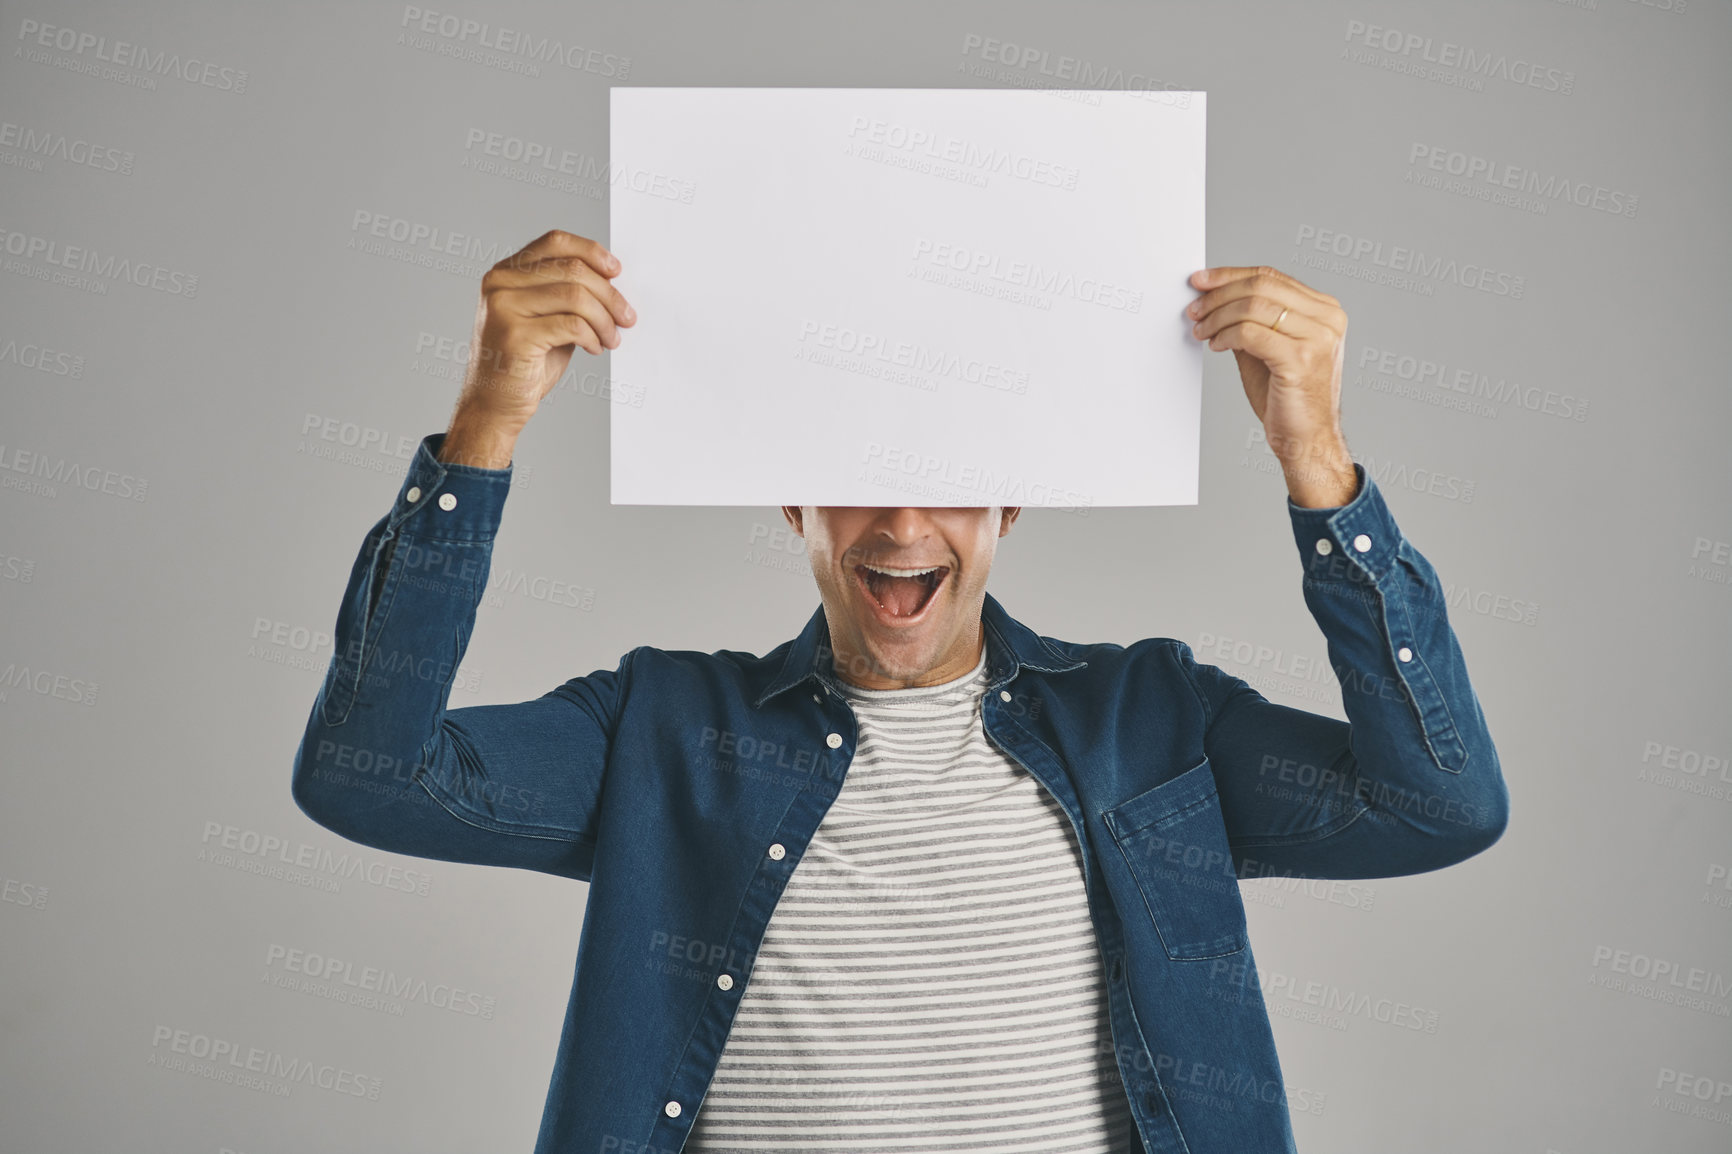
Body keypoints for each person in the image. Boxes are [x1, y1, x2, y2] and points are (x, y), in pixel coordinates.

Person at [291, 230, 1508, 1154]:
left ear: (1009, 506)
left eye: (950, 483)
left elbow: (1438, 806)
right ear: (792, 503)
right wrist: (485, 425)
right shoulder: (661, 727)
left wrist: (1315, 464)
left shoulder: (1153, 717)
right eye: (855, 479)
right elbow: (368, 775)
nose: (902, 524)